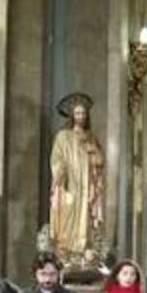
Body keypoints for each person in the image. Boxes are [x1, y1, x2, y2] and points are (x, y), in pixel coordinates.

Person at [49, 92, 105, 261]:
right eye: (77, 113)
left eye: (83, 113)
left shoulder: (91, 138)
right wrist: (60, 173)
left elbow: (100, 161)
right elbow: (56, 158)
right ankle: (66, 252)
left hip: (87, 186)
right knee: (67, 215)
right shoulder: (63, 136)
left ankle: (84, 252)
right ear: (72, 115)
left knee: (85, 217)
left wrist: (94, 152)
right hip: (69, 185)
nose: (80, 116)